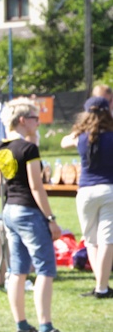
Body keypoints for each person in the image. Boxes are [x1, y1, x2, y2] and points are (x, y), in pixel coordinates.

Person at [0, 98, 76, 332]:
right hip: (28, 211)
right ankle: (46, 328)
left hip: (10, 210)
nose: (38, 122)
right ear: (22, 120)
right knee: (45, 268)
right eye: (34, 118)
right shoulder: (29, 149)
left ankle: (22, 326)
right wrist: (51, 218)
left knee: (17, 270)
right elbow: (36, 186)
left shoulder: (2, 146)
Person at [61, 96, 113, 299]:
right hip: (109, 189)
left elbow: (64, 142)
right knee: (107, 239)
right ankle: (102, 286)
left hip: (85, 191)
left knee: (91, 240)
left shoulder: (81, 137)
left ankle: (100, 284)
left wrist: (78, 131)